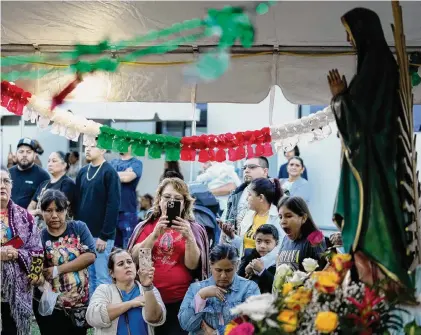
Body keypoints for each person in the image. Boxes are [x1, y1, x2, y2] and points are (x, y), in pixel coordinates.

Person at [327, 8, 414, 290]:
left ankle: (379, 284)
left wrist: (340, 99)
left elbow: (361, 128)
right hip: (374, 161)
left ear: (362, 32)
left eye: (350, 33)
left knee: (374, 226)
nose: (348, 40)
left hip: (372, 166)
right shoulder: (375, 65)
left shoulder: (376, 66)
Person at [128, 177, 210, 335]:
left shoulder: (194, 228)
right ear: (159, 199)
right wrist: (154, 235)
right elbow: (134, 258)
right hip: (147, 299)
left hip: (180, 301)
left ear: (184, 203)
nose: (171, 201)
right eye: (167, 197)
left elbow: (193, 265)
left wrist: (189, 238)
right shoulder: (145, 226)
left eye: (177, 199)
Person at [32, 190, 96, 335]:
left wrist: (57, 269)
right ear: (42, 212)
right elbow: (35, 272)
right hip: (52, 306)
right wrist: (41, 282)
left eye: (59, 210)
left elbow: (90, 256)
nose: (54, 215)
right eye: (48, 210)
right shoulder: (38, 237)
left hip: (78, 306)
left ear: (66, 210)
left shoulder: (78, 228)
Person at [178, 244, 260, 335]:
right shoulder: (196, 288)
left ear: (237, 265)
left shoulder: (249, 289)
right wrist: (201, 296)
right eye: (219, 270)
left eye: (228, 270)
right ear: (210, 265)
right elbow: (185, 325)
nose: (223, 275)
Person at [0, 165, 44, 335]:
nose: (2, 186)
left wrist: (35, 274)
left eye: (6, 181)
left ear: (12, 186)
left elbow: (37, 250)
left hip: (17, 291)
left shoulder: (26, 217)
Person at [74, 144, 121, 295]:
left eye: (92, 146)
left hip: (101, 236)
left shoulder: (109, 172)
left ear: (103, 149)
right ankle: (91, 315)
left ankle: (103, 315)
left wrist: (105, 235)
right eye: (86, 146)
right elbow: (77, 203)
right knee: (88, 279)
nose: (87, 149)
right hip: (84, 235)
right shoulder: (82, 172)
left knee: (102, 279)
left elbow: (113, 205)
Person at [86, 249, 166, 335]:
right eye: (121, 264)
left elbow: (156, 318)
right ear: (112, 273)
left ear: (135, 266)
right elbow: (94, 317)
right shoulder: (104, 290)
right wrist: (131, 303)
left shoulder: (149, 290)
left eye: (129, 262)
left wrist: (147, 287)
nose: (127, 266)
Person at [221, 178, 284, 268]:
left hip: (265, 270)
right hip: (244, 265)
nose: (247, 198)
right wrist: (232, 236)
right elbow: (244, 245)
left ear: (261, 198)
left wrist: (257, 265)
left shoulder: (277, 217)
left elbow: (280, 248)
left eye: (249, 195)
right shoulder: (249, 214)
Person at [222, 157, 270, 237]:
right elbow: (225, 222)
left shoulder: (277, 192)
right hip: (236, 244)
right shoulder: (236, 194)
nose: (246, 170)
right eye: (244, 168)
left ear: (265, 171)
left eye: (252, 167)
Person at [28, 151, 76, 228]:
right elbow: (31, 206)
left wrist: (37, 212)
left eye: (54, 161)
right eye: (48, 161)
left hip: (59, 229)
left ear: (64, 165)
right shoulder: (43, 184)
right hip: (40, 227)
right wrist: (35, 212)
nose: (50, 164)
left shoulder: (67, 183)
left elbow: (59, 208)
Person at [277, 196, 327, 271]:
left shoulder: (315, 238)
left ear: (303, 218)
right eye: (280, 217)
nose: (283, 221)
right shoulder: (285, 239)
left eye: (288, 216)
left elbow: (321, 274)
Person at [110, 151, 143, 249]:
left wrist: (113, 174)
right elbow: (106, 175)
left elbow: (128, 178)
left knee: (128, 247)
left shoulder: (136, 163)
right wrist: (124, 173)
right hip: (112, 210)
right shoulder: (112, 162)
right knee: (112, 248)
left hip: (128, 210)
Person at [9, 138, 50, 209]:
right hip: (7, 217)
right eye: (21, 151)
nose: (24, 155)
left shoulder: (43, 176)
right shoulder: (8, 173)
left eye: (28, 152)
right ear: (16, 154)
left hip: (30, 218)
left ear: (35, 155)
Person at [238, 224, 279, 293]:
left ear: (276, 243)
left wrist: (262, 271)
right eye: (259, 241)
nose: (262, 246)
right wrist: (246, 272)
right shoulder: (249, 255)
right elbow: (238, 279)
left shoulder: (278, 260)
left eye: (267, 242)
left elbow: (276, 285)